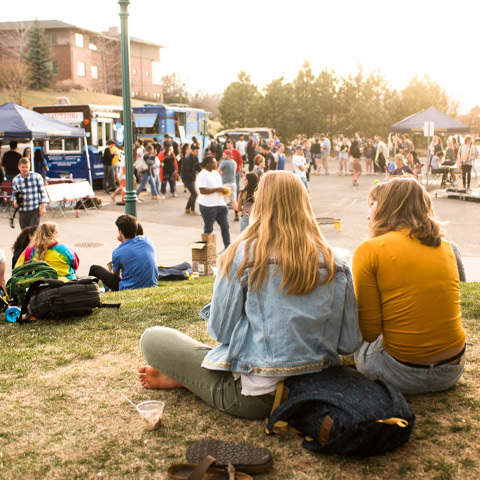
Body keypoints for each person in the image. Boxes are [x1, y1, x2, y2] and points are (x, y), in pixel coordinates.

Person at [138, 171, 361, 420]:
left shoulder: (242, 254)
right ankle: (186, 377)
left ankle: (185, 378)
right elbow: (349, 344)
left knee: (152, 338)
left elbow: (221, 333)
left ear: (260, 203)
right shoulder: (337, 262)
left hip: (260, 398)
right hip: (318, 390)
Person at [353, 177, 466, 395]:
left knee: (356, 344)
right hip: (452, 369)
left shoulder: (369, 250)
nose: (369, 212)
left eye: (373, 204)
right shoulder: (447, 247)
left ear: (387, 207)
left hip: (400, 374)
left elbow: (369, 332)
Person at [89, 215, 158, 291]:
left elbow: (116, 276)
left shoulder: (118, 252)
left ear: (120, 231)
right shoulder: (148, 241)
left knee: (94, 268)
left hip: (129, 289)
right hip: (152, 286)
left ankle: (88, 294)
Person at [196, 155, 231, 251]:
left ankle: (228, 247)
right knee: (208, 229)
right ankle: (206, 250)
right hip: (208, 206)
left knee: (225, 226)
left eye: (215, 162)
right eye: (213, 162)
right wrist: (217, 189)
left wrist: (222, 190)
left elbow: (217, 187)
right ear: (207, 164)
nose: (215, 164)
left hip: (221, 204)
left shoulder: (216, 173)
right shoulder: (202, 174)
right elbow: (202, 191)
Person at [12, 157, 48, 230]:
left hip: (34, 209)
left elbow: (42, 192)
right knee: (25, 233)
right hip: (22, 210)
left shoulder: (37, 177)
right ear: (19, 167)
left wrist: (43, 207)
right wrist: (14, 201)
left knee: (33, 231)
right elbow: (14, 193)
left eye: (27, 167)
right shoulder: (16, 180)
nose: (25, 169)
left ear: (30, 167)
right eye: (23, 167)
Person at [218, 149, 239, 221]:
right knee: (233, 200)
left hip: (226, 184)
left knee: (223, 200)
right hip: (233, 183)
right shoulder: (234, 163)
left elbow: (218, 171)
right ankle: (236, 215)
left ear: (228, 155)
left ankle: (222, 216)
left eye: (224, 154)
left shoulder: (224, 162)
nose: (223, 156)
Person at [181, 144, 201, 215]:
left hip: (191, 178)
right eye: (196, 151)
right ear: (192, 151)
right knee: (194, 194)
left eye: (198, 152)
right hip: (186, 178)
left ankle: (187, 209)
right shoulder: (187, 159)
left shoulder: (196, 158)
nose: (197, 153)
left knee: (193, 193)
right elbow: (186, 171)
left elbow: (198, 167)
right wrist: (193, 179)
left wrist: (203, 173)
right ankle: (192, 210)